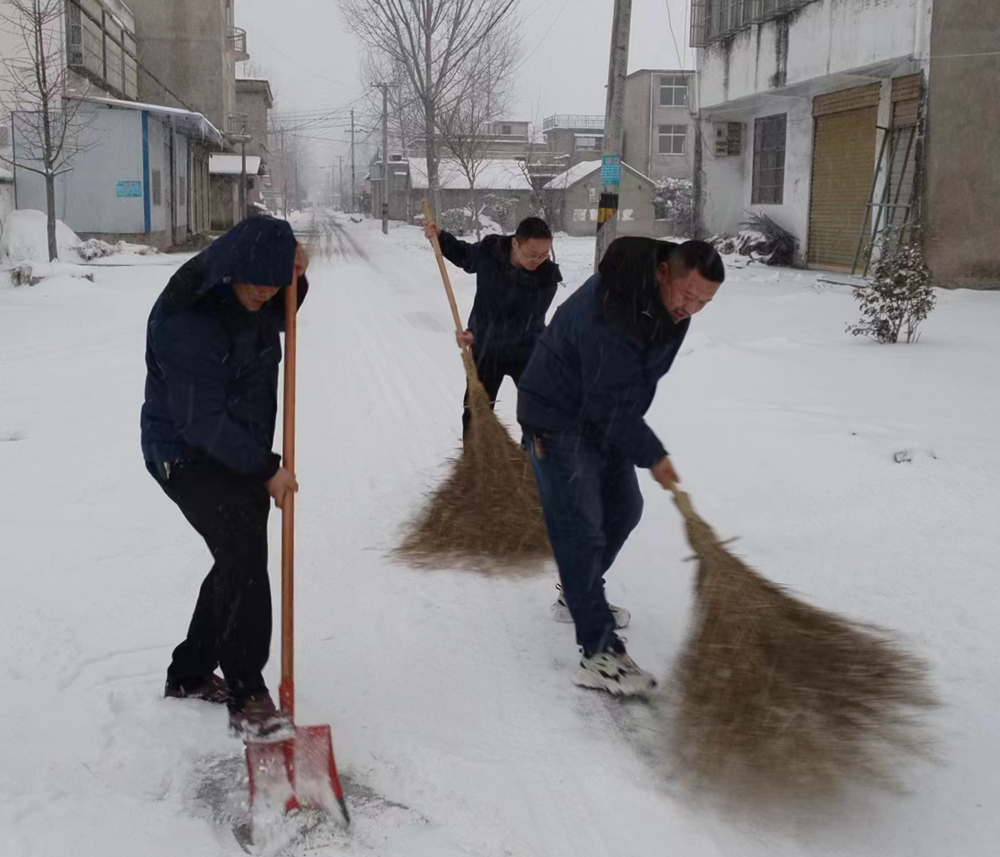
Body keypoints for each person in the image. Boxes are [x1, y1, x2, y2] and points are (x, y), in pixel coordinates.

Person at [517, 236, 725, 697]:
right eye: (688, 296)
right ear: (663, 273)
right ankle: (598, 652)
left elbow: (634, 381)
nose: (691, 308)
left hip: (600, 417)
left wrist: (637, 439)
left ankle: (579, 592)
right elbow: (607, 396)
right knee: (581, 529)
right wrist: (651, 453)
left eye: (703, 303)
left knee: (624, 509)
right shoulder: (610, 305)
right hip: (556, 414)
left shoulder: (668, 307)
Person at [141, 217, 309, 738]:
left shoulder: (260, 290)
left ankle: (190, 674)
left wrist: (295, 280)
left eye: (274, 281)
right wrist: (266, 469)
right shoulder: (188, 318)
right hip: (185, 453)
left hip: (236, 447)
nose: (266, 291)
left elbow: (282, 308)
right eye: (257, 280)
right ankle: (248, 692)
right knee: (242, 550)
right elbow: (200, 419)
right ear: (232, 265)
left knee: (235, 559)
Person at [424, 216, 563, 438]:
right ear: (515, 243)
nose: (539, 260)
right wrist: (439, 237)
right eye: (532, 254)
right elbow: (465, 256)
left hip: (526, 351)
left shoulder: (547, 277)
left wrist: (477, 336)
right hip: (487, 352)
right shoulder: (491, 251)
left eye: (544, 254)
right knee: (475, 413)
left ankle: (533, 464)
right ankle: (475, 464)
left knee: (540, 413)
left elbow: (522, 324)